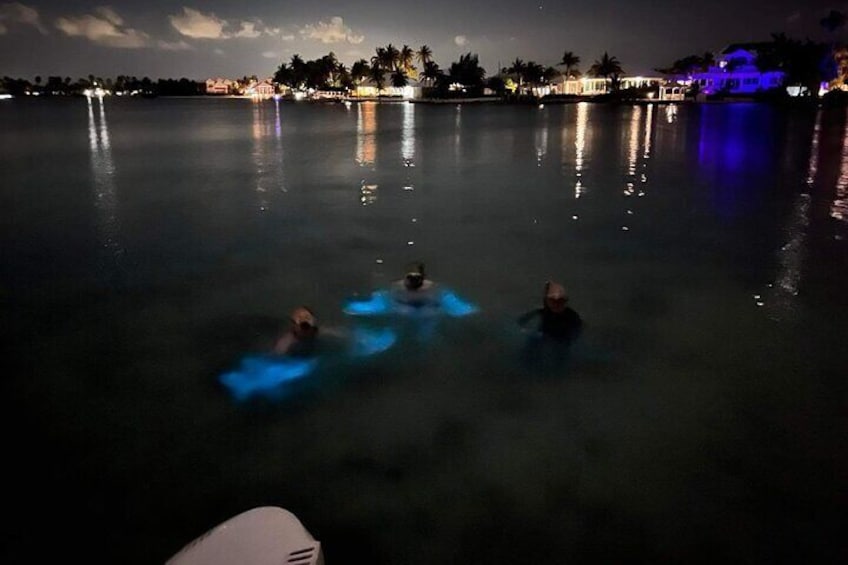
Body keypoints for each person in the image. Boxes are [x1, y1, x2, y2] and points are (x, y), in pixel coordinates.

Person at [518, 281, 582, 341]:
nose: (556, 304)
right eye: (553, 301)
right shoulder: (541, 312)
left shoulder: (572, 316)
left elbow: (575, 333)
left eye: (560, 301)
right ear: (547, 301)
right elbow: (521, 321)